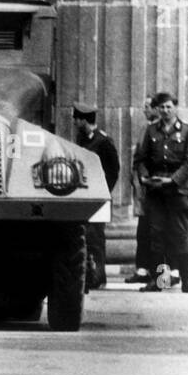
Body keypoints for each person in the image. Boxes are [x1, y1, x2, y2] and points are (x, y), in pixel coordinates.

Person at [133, 92, 188, 293]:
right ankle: (159, 280)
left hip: (177, 190)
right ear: (157, 110)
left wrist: (172, 180)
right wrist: (145, 177)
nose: (165, 110)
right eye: (161, 107)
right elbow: (140, 159)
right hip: (155, 190)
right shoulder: (151, 130)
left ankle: (187, 280)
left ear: (175, 108)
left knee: (179, 234)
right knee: (157, 236)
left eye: (169, 107)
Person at [73, 103, 119, 291]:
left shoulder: (104, 141)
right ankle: (89, 276)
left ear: (84, 120)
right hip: (85, 196)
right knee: (85, 235)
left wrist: (103, 191)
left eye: (76, 119)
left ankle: (98, 276)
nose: (74, 122)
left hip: (99, 197)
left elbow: (114, 170)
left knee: (96, 238)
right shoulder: (81, 139)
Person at [125, 97, 159, 286]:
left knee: (156, 232)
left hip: (153, 188)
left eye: (148, 106)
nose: (144, 110)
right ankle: (143, 269)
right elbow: (139, 158)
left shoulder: (157, 131)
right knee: (143, 231)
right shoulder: (146, 128)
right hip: (143, 187)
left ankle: (159, 274)